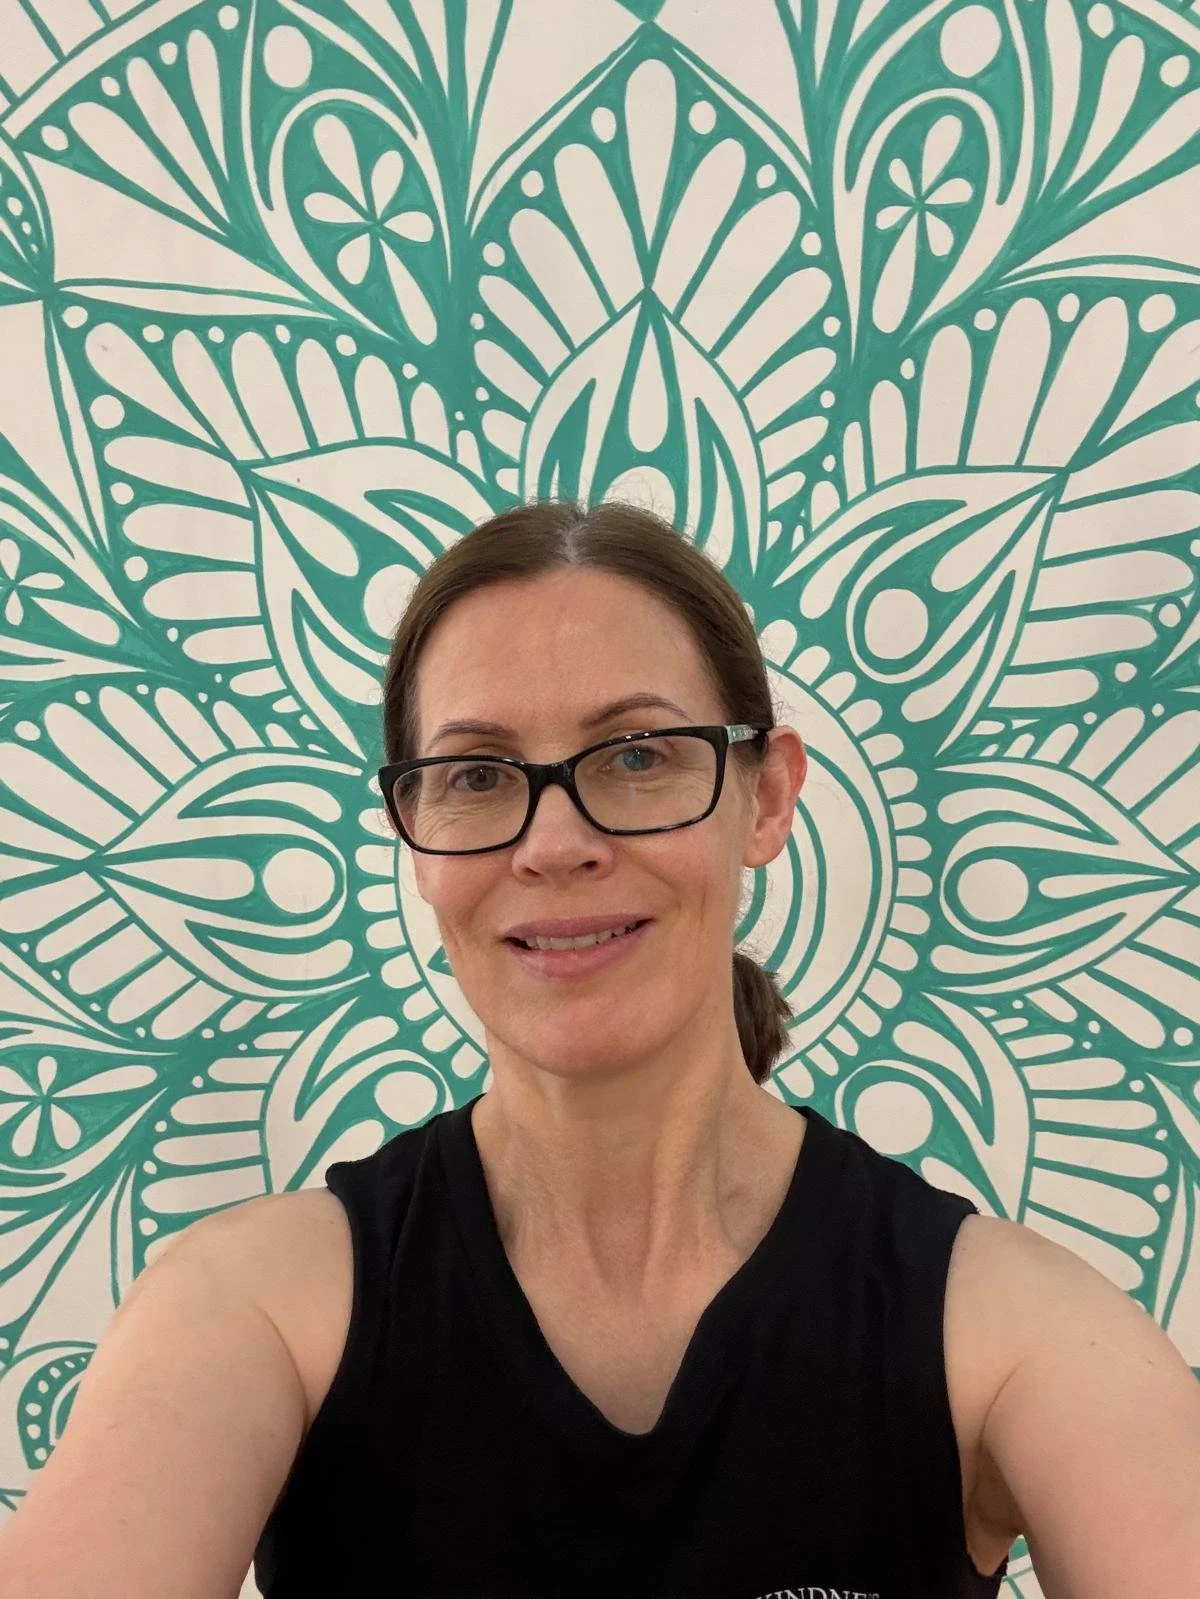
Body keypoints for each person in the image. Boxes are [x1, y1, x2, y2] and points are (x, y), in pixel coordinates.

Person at [3, 501, 1199, 1599]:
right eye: (477, 775)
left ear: (767, 797)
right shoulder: (255, 1311)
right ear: (415, 836)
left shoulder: (1010, 1332)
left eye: (636, 756)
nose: (556, 842)